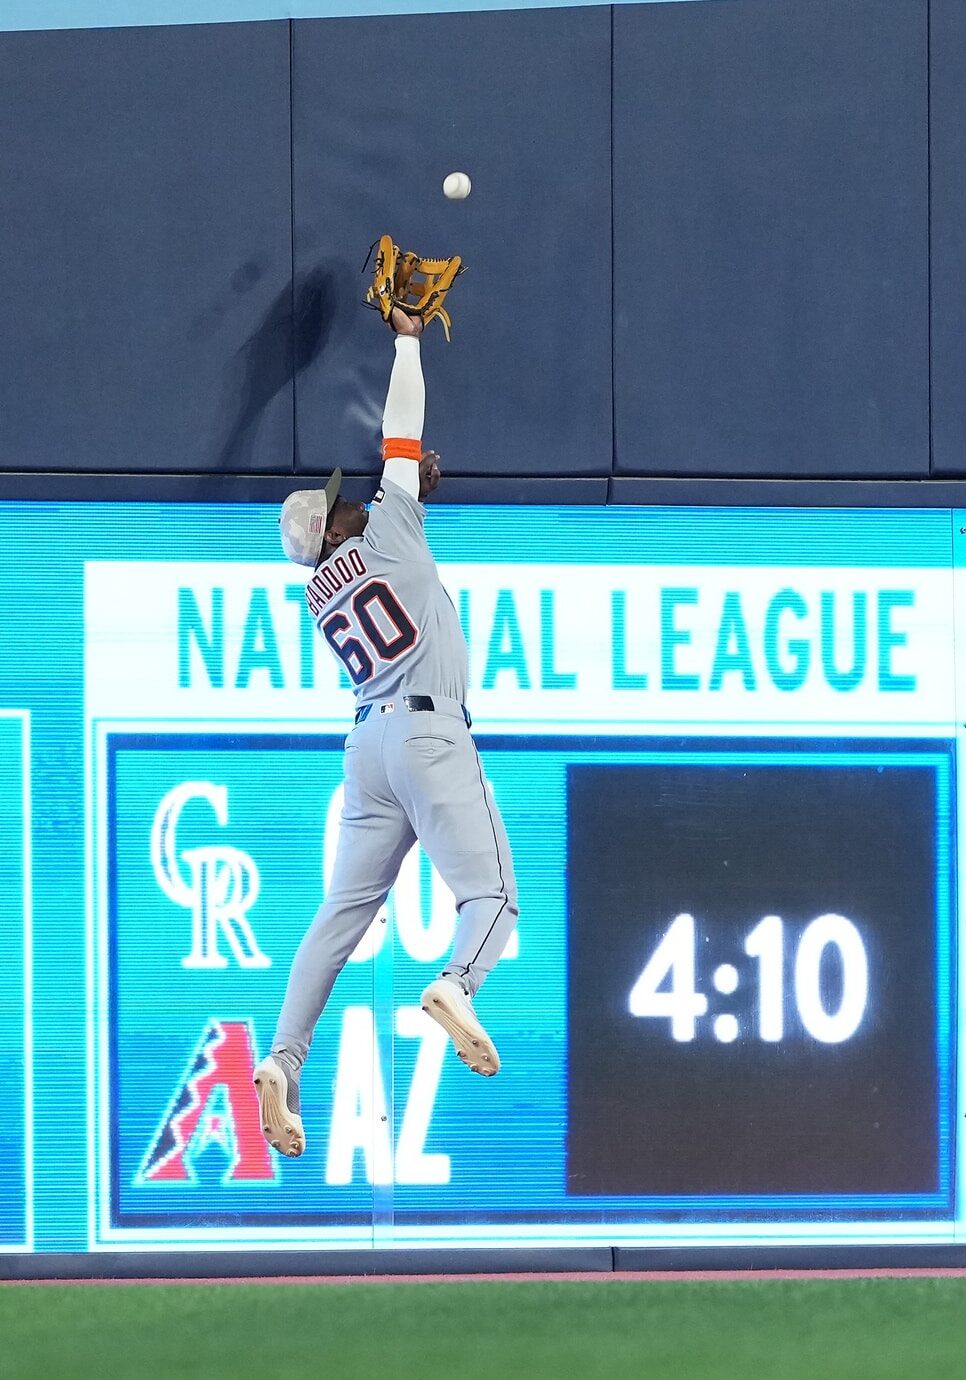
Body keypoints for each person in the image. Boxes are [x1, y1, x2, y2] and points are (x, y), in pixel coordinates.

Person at [253, 304, 519, 1158]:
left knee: (338, 915)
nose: (350, 504)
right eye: (339, 507)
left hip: (367, 750)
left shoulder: (318, 587)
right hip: (428, 738)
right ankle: (455, 983)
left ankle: (283, 1061)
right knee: (494, 899)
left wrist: (405, 500)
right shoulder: (390, 529)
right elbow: (402, 433)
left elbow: (393, 504)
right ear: (331, 531)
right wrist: (406, 339)